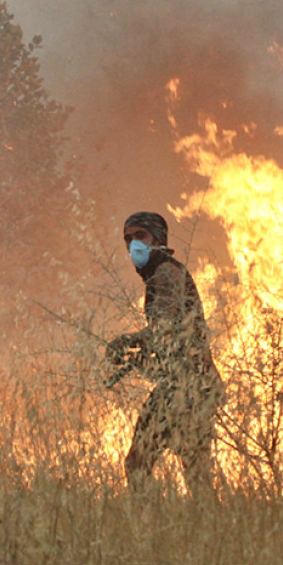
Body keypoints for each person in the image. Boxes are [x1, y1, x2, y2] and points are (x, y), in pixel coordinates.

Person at [105, 211, 224, 494]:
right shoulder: (162, 273)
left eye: (140, 236)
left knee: (138, 464)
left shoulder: (165, 273)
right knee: (196, 474)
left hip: (185, 387)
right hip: (196, 385)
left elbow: (163, 329)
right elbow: (172, 342)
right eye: (128, 239)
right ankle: (209, 529)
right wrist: (140, 359)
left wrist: (126, 342)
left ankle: (147, 528)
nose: (133, 244)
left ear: (158, 239)